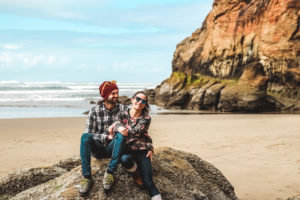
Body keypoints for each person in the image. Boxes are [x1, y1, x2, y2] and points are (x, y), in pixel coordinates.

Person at [110, 91, 162, 200]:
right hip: (127, 150)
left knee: (148, 182)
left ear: (145, 105)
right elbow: (115, 123)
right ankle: (136, 173)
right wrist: (117, 126)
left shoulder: (146, 118)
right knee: (125, 159)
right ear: (132, 100)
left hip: (142, 150)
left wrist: (117, 127)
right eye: (138, 99)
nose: (140, 102)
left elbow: (134, 132)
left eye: (143, 101)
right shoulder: (121, 113)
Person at [78, 81, 128, 196]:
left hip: (115, 147)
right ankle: (87, 178)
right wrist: (106, 136)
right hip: (98, 149)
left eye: (117, 93)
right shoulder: (94, 112)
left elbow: (127, 130)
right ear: (105, 96)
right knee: (85, 137)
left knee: (121, 135)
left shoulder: (124, 109)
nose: (117, 95)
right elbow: (89, 134)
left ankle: (109, 172)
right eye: (113, 93)